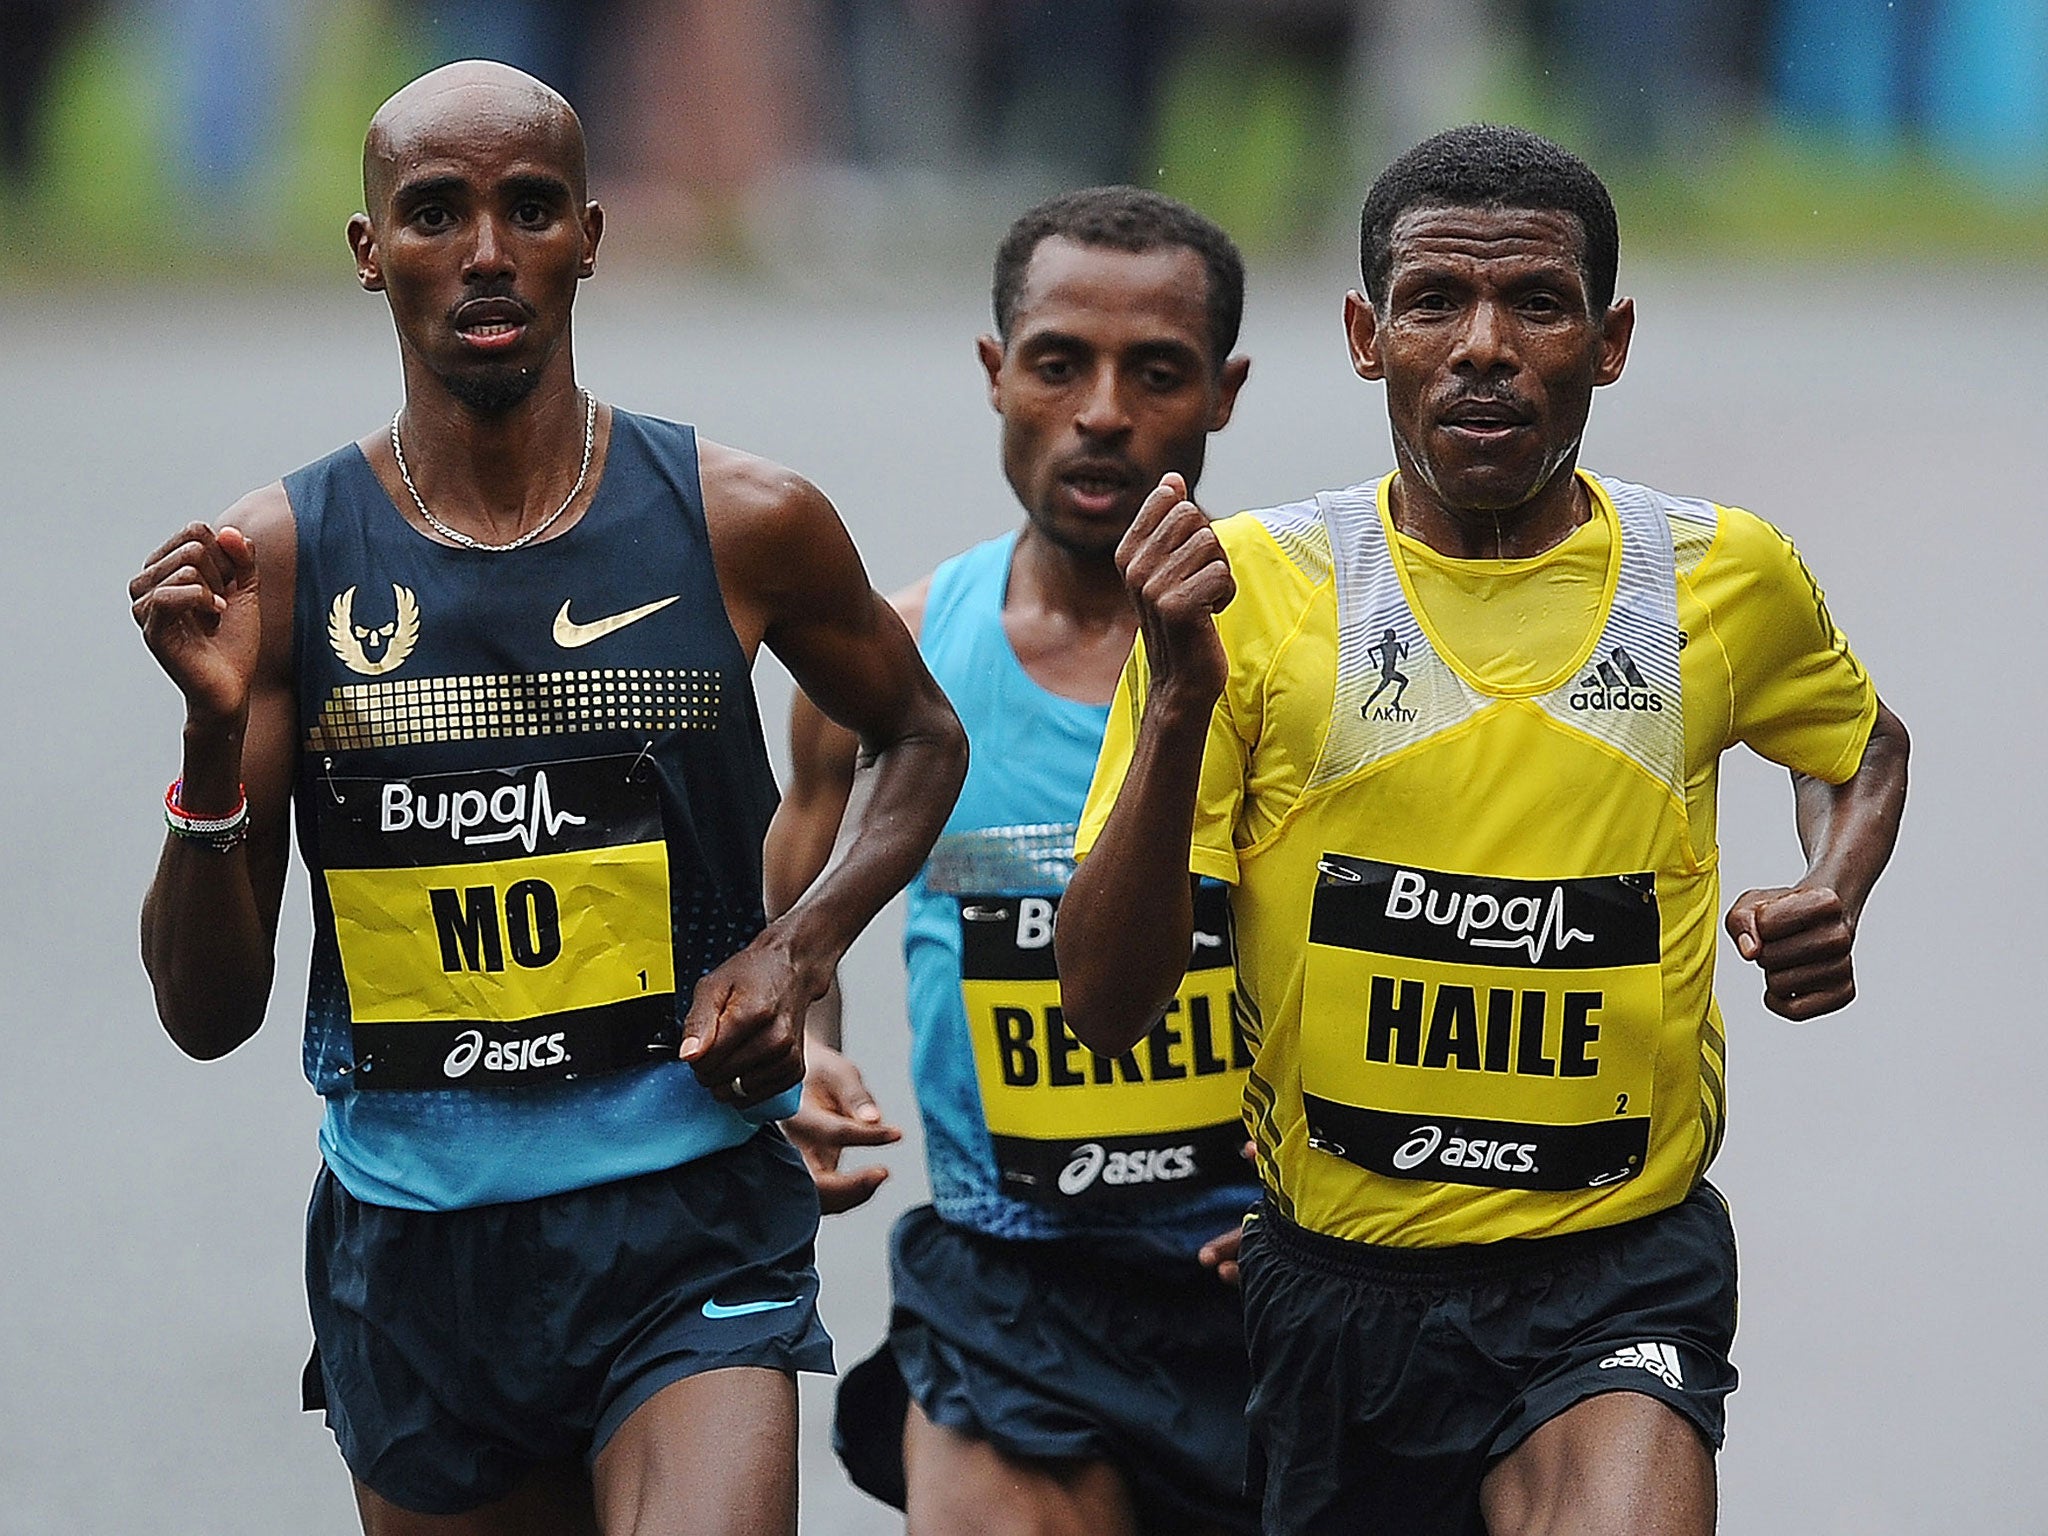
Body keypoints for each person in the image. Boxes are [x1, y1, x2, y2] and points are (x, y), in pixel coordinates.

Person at [127, 61, 966, 1536]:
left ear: (589, 236)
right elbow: (207, 1014)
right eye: (437, 214)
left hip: (687, 1217)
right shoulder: (284, 561)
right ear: (370, 250)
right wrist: (209, 746)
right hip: (419, 1250)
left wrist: (801, 944)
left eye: (527, 211)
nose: (488, 256)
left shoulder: (739, 519)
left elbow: (919, 735)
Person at [1057, 124, 1910, 1536]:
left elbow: (1860, 744)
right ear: (1365, 335)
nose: (1485, 347)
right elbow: (1104, 1003)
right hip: (1339, 1290)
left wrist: (1835, 879)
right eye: (1436, 301)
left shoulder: (1721, 574)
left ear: (1611, 338)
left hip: (1619, 1272)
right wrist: (1172, 716)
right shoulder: (1249, 593)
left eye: (1539, 303)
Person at [763, 187, 1261, 1536]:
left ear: (1223, 393)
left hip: (1269, 1286)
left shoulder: (1303, 655)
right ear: (997, 376)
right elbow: (801, 923)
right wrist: (809, 1048)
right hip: (1008, 1289)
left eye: (1155, 373)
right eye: (1058, 363)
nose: (1103, 410)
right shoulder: (894, 660)